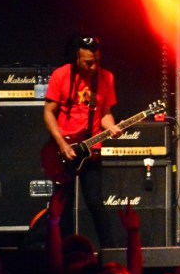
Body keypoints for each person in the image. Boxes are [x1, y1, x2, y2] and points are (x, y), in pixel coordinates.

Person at [43, 35, 122, 248]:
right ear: (76, 58)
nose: (93, 66)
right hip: (64, 150)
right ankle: (61, 253)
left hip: (91, 149)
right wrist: (61, 144)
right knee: (63, 206)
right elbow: (49, 113)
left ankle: (110, 253)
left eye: (97, 60)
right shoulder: (61, 75)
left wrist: (112, 126)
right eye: (88, 62)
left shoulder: (106, 78)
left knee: (96, 203)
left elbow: (105, 113)